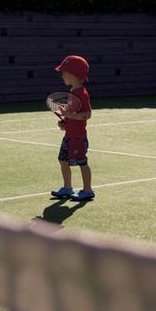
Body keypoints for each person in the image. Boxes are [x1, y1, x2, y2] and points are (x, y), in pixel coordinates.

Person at [50, 55, 95, 202]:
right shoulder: (71, 93)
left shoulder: (82, 93)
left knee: (82, 162)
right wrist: (65, 123)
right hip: (69, 136)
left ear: (72, 74)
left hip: (79, 137)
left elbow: (86, 115)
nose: (62, 75)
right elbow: (72, 116)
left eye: (63, 72)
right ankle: (67, 187)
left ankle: (88, 190)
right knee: (62, 160)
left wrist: (69, 115)